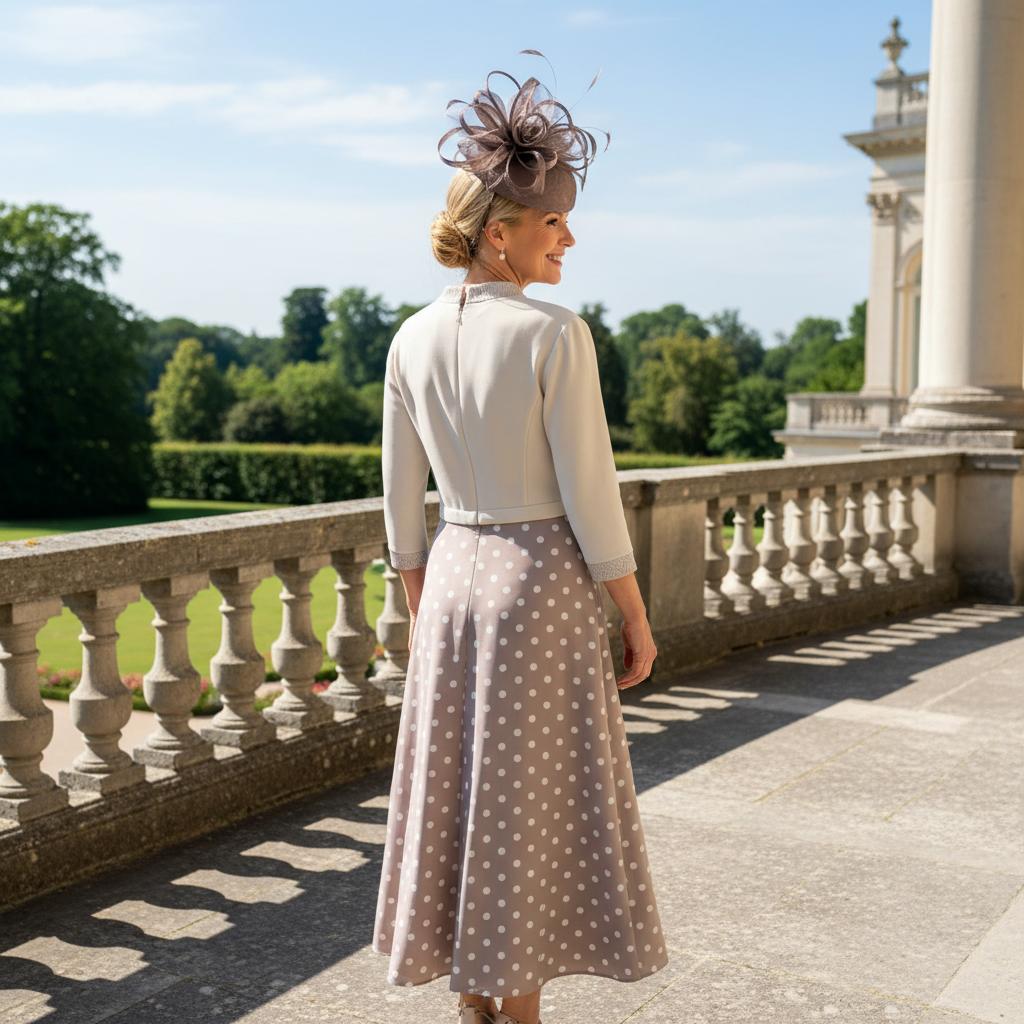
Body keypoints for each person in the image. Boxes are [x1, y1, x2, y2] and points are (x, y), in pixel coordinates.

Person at [372, 51, 668, 1024]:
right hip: (538, 581)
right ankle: (525, 1010)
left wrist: (424, 608)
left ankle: (471, 1002)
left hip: (455, 575)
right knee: (527, 804)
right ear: (499, 234)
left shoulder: (408, 338)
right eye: (552, 222)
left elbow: (399, 506)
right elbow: (590, 494)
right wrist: (634, 616)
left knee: (459, 793)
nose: (569, 239)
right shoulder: (554, 335)